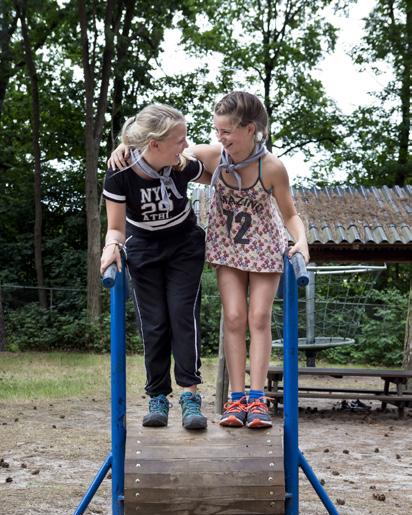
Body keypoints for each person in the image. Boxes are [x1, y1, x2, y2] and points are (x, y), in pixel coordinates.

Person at [109, 91, 309, 430]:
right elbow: (160, 152)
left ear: (249, 129)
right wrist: (125, 146)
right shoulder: (209, 156)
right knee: (231, 316)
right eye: (217, 131)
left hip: (257, 245)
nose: (219, 137)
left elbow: (290, 213)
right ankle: (234, 398)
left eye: (226, 131)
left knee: (257, 317)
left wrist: (301, 240)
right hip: (225, 246)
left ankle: (255, 398)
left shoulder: (269, 167)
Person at [101, 103, 211, 430]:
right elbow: (116, 227)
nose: (186, 145)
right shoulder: (120, 173)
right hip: (144, 249)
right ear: (154, 145)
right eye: (180, 139)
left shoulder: (181, 165)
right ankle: (157, 396)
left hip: (184, 246)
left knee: (181, 314)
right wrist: (111, 246)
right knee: (154, 323)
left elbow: (218, 157)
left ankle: (190, 396)